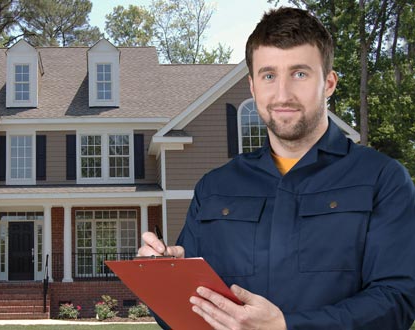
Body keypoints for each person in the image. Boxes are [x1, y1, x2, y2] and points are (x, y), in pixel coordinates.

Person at [138, 7, 415, 330]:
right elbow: (185, 317)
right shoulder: (214, 188)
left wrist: (288, 326)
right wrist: (164, 277)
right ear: (253, 87)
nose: (282, 94)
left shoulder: (382, 179)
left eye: (299, 73)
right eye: (269, 75)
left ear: (328, 83)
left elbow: (398, 300)